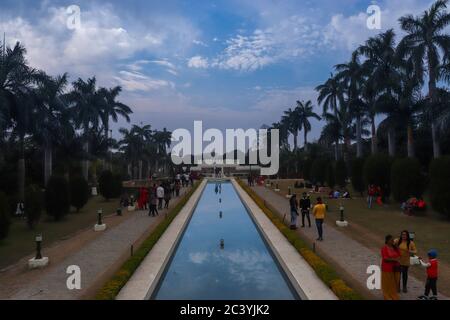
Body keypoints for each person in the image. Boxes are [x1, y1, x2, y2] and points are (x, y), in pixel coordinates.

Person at [381, 235, 401, 300]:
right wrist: (394, 260)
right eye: (391, 240)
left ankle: (393, 294)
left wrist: (396, 247)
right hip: (387, 268)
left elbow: (399, 255)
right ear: (387, 240)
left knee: (395, 282)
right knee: (387, 282)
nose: (393, 241)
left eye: (393, 240)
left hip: (396, 268)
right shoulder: (384, 248)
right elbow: (385, 258)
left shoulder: (395, 247)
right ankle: (387, 295)